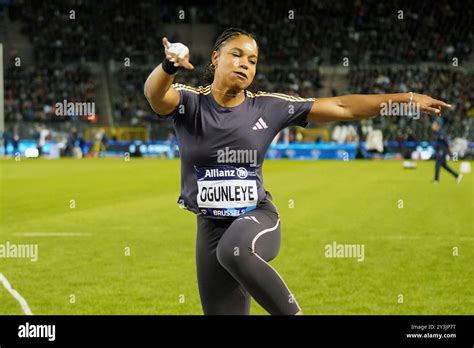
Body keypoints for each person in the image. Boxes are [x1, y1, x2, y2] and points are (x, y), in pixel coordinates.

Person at [144, 28, 451, 315]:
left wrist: (405, 100)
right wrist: (168, 65)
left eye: (252, 60)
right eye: (236, 54)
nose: (245, 64)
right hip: (209, 227)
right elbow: (155, 96)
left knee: (235, 249)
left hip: (256, 217)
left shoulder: (268, 107)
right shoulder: (189, 102)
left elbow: (343, 107)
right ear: (215, 58)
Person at [431, 118, 462, 184]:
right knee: (444, 166)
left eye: (434, 124)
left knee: (437, 165)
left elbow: (447, 141)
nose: (433, 125)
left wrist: (450, 150)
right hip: (440, 150)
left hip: (442, 151)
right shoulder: (438, 132)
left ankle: (436, 180)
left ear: (438, 125)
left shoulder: (441, 132)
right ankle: (457, 175)